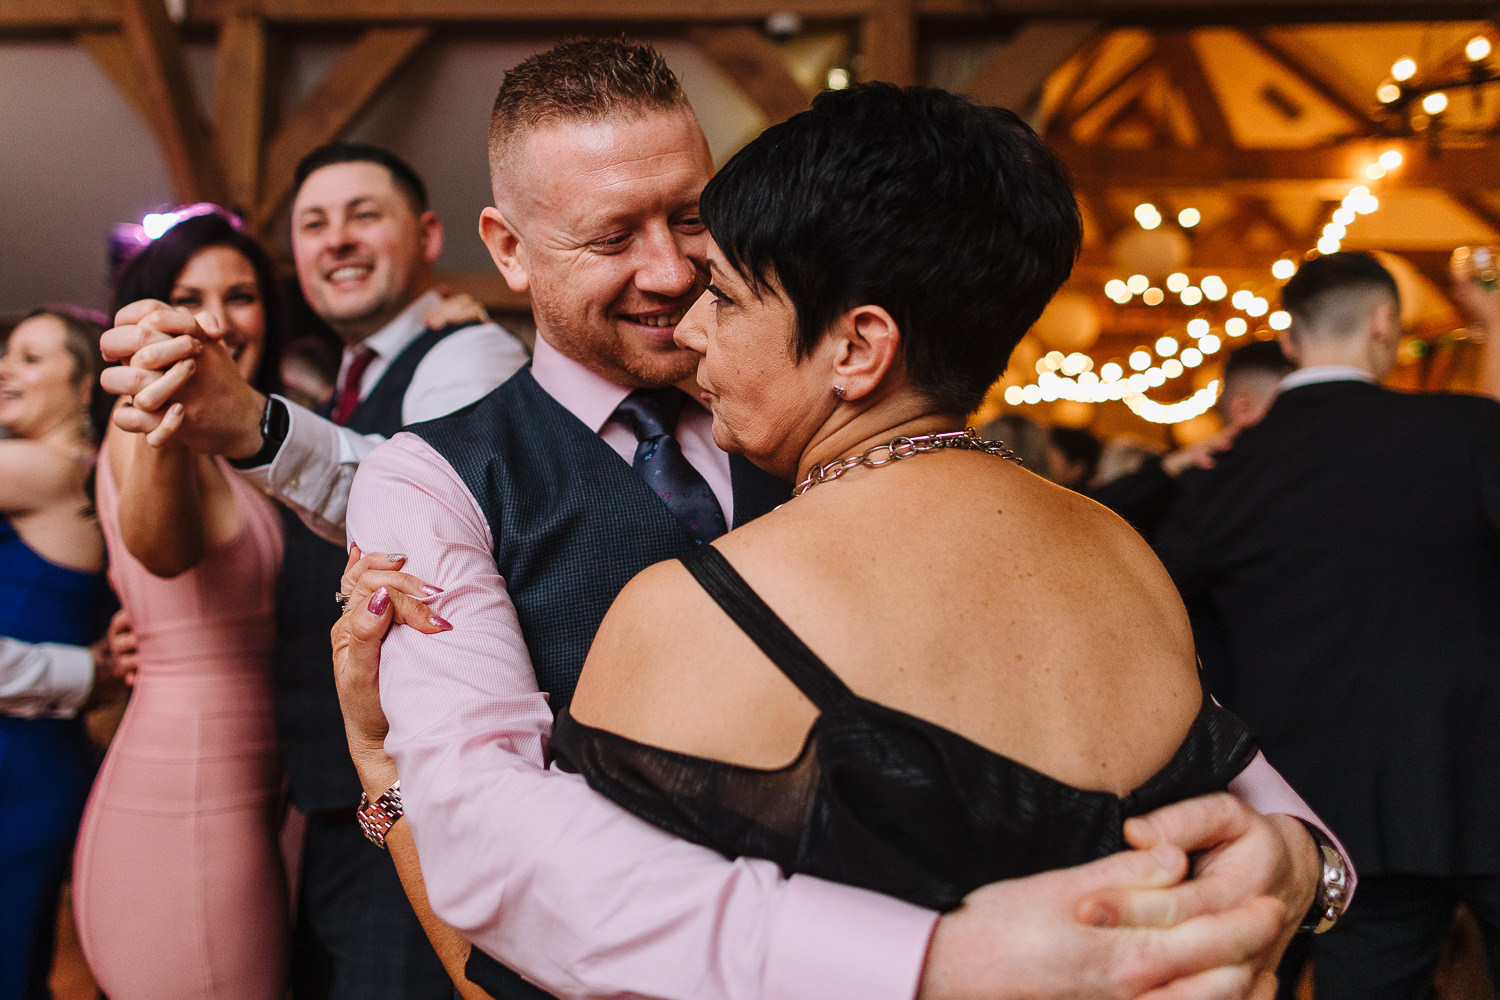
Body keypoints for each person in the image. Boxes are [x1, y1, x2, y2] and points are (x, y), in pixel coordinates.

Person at [330, 39, 1345, 1000]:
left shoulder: (830, 429)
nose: (676, 278)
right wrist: (933, 959)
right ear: (507, 250)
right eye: (610, 236)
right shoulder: (430, 480)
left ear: (862, 348)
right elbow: (487, 825)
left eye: (696, 224)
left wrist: (1302, 856)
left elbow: (1192, 746)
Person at [99, 144, 530, 1000]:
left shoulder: (465, 357)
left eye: (363, 215)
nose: (336, 241)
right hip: (300, 796)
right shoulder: (327, 385)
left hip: (397, 799)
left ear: (428, 234)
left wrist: (253, 424)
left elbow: (423, 513)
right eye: (313, 225)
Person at [1155, 251, 1500, 1000]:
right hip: (1484, 773)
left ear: (1287, 343)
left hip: (1337, 814)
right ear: (1385, 325)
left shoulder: (1229, 471)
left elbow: (1161, 612)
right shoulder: (1466, 427)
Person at [70, 209, 292, 1000]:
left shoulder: (258, 444)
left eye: (241, 295)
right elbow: (163, 555)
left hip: (275, 786)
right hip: (188, 789)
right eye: (189, 297)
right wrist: (165, 420)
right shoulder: (150, 429)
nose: (216, 321)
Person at [0, 307, 114, 999]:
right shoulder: (81, 471)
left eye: (32, 357)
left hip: (16, 762)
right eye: (7, 353)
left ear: (83, 388)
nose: (6, 369)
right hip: (40, 752)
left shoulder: (39, 468)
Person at [1090, 340, 1291, 539]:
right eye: (1293, 405)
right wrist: (1171, 465)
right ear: (1243, 408)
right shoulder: (1198, 491)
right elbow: (1091, 518)